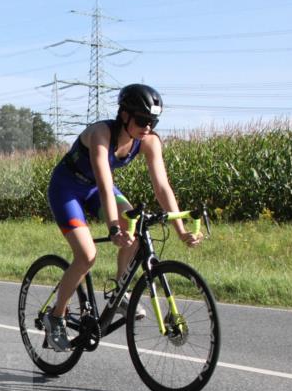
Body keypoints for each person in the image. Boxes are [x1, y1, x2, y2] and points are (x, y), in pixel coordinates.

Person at [42, 83, 202, 352]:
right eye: (142, 120)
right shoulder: (101, 133)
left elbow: (162, 187)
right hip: (67, 188)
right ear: (124, 115)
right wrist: (114, 227)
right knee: (87, 255)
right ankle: (55, 316)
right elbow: (105, 183)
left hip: (93, 189)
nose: (148, 126)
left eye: (153, 121)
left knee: (138, 229)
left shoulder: (149, 141)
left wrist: (180, 228)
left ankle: (118, 290)